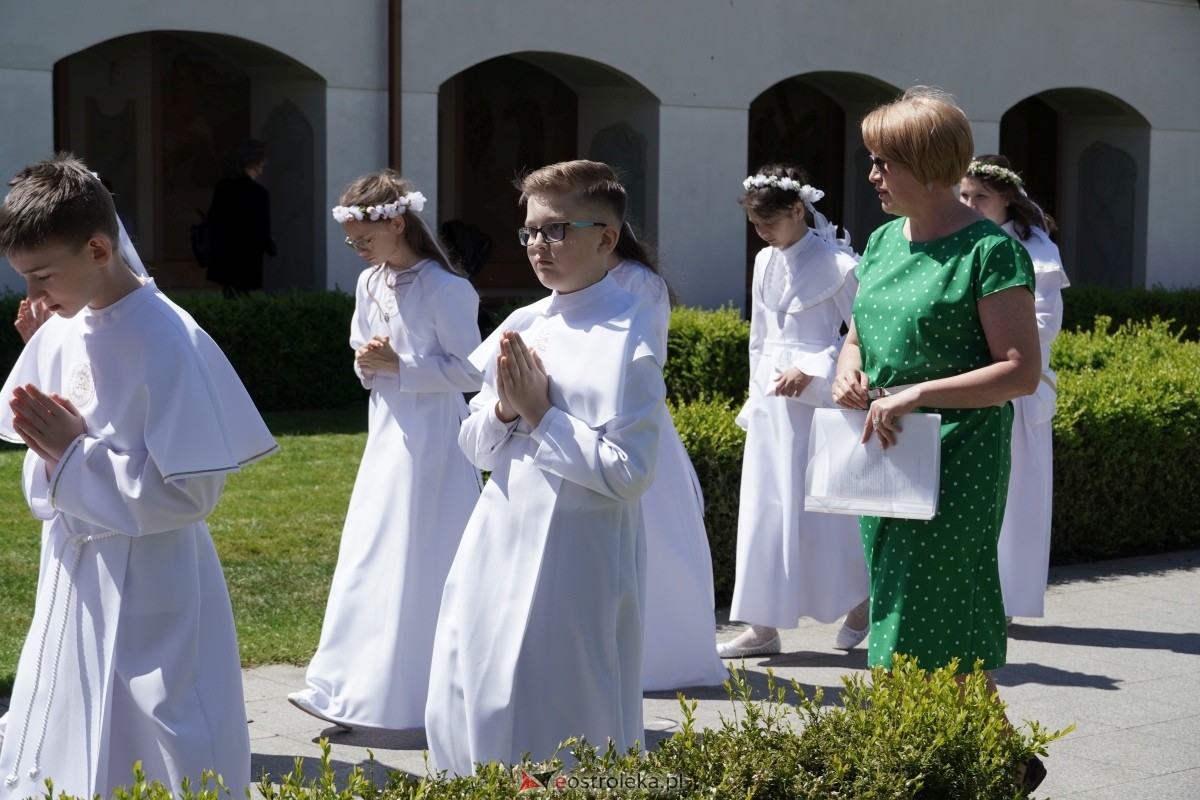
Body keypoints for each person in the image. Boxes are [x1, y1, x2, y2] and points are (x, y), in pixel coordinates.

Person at [0, 153, 278, 800]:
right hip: (74, 568)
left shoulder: (167, 337)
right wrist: (56, 454)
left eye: (42, 276)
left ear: (98, 247)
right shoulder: (61, 326)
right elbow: (44, 457)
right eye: (23, 279)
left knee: (163, 724)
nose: (32, 297)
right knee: (66, 710)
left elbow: (192, 492)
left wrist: (75, 457)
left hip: (154, 579)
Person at [831, 87, 1045, 793]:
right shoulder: (885, 240)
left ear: (926, 165)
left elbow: (1020, 370)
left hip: (958, 457)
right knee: (901, 608)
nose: (871, 175)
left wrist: (919, 392)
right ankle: (999, 762)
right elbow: (857, 333)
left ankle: (930, 767)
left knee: (931, 616)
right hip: (888, 453)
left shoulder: (989, 252)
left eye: (882, 161)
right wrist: (850, 370)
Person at [425, 160, 664, 776]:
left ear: (605, 238)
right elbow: (475, 447)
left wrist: (541, 416)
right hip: (499, 535)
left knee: (561, 700)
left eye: (556, 230)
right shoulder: (525, 322)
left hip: (579, 551)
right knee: (473, 680)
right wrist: (504, 408)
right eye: (530, 231)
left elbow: (630, 472)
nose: (538, 246)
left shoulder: (629, 332)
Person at [287, 171, 484, 730]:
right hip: (387, 436)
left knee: (419, 552)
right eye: (352, 241)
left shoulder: (448, 289)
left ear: (398, 223)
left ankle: (419, 688)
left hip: (434, 440)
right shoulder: (369, 285)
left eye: (364, 239)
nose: (358, 250)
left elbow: (471, 370)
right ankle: (347, 683)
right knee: (370, 552)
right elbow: (361, 353)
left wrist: (403, 366)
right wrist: (370, 361)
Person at [717, 164, 870, 659]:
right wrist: (752, 397)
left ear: (798, 210)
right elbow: (760, 338)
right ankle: (762, 623)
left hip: (818, 406)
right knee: (764, 508)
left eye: (770, 224)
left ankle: (860, 601)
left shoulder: (839, 266)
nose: (762, 235)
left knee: (825, 509)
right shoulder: (765, 261)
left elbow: (863, 334)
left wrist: (816, 369)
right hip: (771, 404)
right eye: (756, 227)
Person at [605, 225, 728, 690]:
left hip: (632, 417)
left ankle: (661, 652)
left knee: (658, 537)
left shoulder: (641, 282)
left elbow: (645, 354)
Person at [960, 155, 1070, 620]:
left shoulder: (1035, 250)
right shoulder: (961, 239)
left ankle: (1005, 597)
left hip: (1015, 388)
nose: (969, 204)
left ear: (1007, 198)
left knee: (1014, 495)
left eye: (979, 197)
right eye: (963, 196)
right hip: (966, 383)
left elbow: (1043, 324)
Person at [205, 138, 275, 295]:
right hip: (248, 260)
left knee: (229, 297)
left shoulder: (223, 187)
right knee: (244, 298)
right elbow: (262, 231)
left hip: (224, 258)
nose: (264, 163)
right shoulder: (259, 193)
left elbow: (213, 221)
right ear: (253, 162)